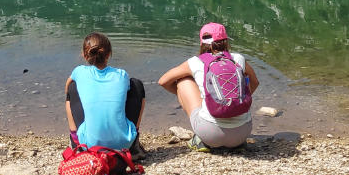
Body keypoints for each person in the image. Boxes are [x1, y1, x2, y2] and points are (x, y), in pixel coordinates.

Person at [157, 22, 258, 151]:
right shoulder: (238, 59)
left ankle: (199, 140)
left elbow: (163, 81)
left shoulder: (195, 62)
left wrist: (188, 99)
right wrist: (237, 100)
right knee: (245, 80)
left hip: (210, 135)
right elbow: (255, 82)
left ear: (202, 43)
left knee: (182, 81)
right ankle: (236, 140)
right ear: (226, 41)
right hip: (243, 133)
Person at [65, 32, 146, 160]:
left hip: (89, 145)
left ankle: (75, 141)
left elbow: (67, 88)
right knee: (136, 85)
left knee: (73, 87)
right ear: (109, 54)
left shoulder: (79, 71)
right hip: (124, 143)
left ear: (84, 55)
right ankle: (134, 143)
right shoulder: (121, 74)